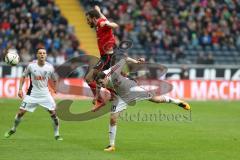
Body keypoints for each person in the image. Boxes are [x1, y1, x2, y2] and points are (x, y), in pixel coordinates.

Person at [94, 56, 191, 151]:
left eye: (102, 83)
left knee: (156, 100)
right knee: (113, 118)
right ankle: (111, 145)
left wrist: (136, 61)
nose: (101, 85)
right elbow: (98, 86)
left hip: (132, 89)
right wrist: (96, 97)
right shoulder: (101, 79)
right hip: (121, 96)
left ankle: (177, 102)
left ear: (106, 78)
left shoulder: (113, 72)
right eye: (100, 84)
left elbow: (125, 59)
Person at [4, 47, 63, 141]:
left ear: (46, 55)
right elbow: (23, 77)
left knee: (54, 114)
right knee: (20, 113)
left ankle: (57, 134)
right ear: (37, 55)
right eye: (40, 53)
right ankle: (13, 129)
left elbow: (55, 79)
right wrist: (20, 89)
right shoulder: (31, 66)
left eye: (44, 53)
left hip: (45, 94)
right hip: (32, 94)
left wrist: (54, 89)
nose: (42, 55)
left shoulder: (50, 67)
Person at [85, 5, 119, 111]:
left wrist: (107, 24)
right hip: (106, 57)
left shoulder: (101, 23)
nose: (87, 22)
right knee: (99, 80)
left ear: (93, 18)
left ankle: (100, 101)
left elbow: (115, 25)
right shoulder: (99, 23)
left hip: (107, 57)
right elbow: (102, 17)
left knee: (89, 78)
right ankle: (114, 95)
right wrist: (99, 11)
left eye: (88, 19)